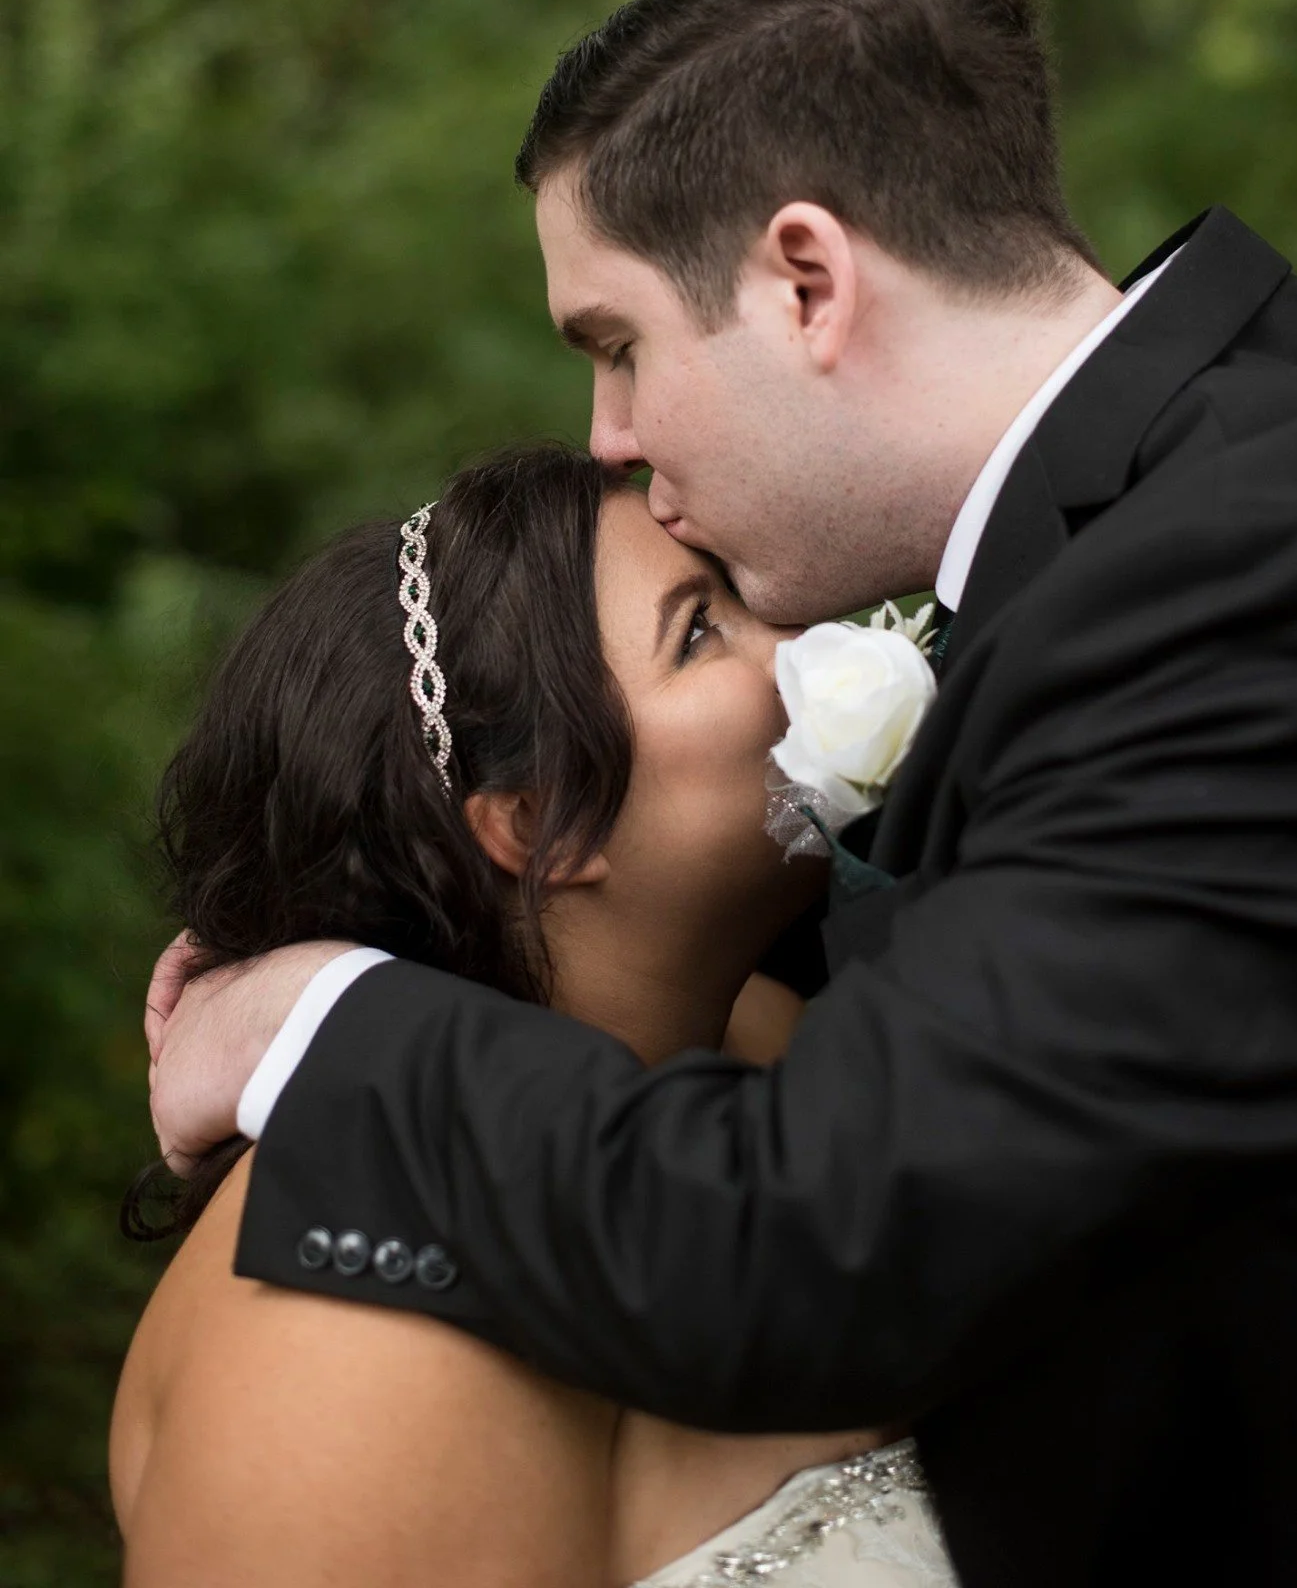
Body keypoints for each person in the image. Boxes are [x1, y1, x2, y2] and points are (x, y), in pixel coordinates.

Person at [147, 0, 1297, 1588]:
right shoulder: (1205, 488)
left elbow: (826, 1235)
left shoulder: (1240, 567)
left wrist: (320, 1016)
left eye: (618, 344)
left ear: (805, 277)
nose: (615, 433)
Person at [113, 444, 953, 1585]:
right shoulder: (351, 1308)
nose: (804, 638)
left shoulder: (767, 1033)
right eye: (699, 629)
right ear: (537, 822)